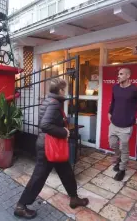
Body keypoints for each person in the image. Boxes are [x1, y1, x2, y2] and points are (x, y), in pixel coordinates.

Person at [14, 78, 89, 219]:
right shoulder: (54, 104)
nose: (65, 91)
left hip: (49, 145)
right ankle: (21, 206)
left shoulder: (49, 100)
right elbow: (45, 125)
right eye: (64, 89)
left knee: (66, 172)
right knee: (38, 177)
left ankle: (74, 198)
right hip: (48, 147)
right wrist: (64, 132)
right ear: (60, 90)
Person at [108, 68, 137, 181]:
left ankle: (122, 169)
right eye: (118, 74)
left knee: (124, 148)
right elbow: (114, 101)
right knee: (113, 144)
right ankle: (119, 159)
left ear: (128, 75)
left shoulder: (134, 90)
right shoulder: (115, 87)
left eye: (121, 74)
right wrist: (110, 112)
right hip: (114, 123)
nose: (118, 76)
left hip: (126, 125)